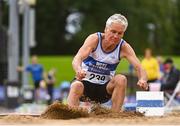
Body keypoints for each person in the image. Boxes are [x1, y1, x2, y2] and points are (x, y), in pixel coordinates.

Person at [67, 13, 148, 112]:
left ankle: (114, 116)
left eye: (120, 33)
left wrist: (143, 79)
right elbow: (77, 58)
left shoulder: (124, 47)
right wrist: (78, 70)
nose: (115, 36)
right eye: (113, 31)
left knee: (121, 79)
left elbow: (139, 67)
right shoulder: (94, 39)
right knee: (76, 85)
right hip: (84, 86)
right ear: (105, 29)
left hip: (104, 90)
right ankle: (70, 116)